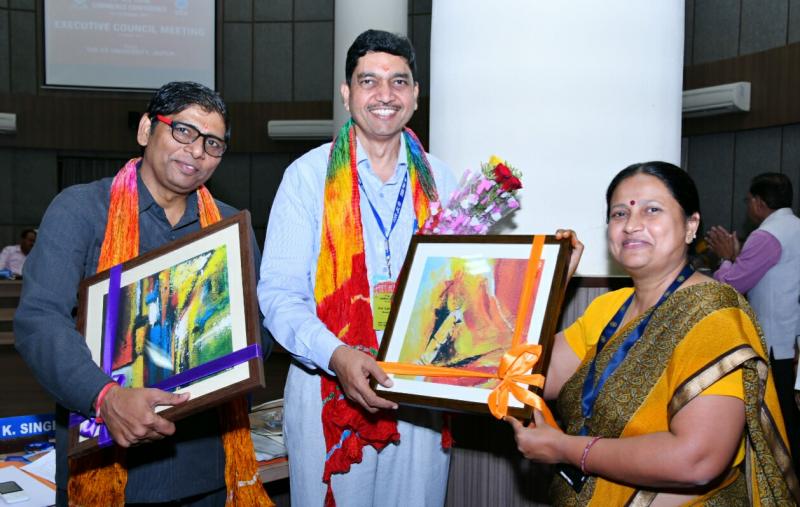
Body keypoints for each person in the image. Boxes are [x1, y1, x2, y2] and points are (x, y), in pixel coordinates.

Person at [14, 82, 272, 506]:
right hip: (102, 461)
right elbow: (39, 320)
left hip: (203, 466)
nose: (196, 151)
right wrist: (105, 397)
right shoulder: (81, 210)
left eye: (212, 143)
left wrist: (228, 350)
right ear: (146, 129)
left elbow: (259, 328)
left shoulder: (229, 230)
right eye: (183, 131)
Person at [506, 162, 798, 505]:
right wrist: (550, 287)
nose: (631, 225)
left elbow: (697, 459)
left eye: (652, 210)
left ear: (691, 225)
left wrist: (566, 448)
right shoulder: (607, 308)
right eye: (619, 214)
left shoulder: (713, 314)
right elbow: (517, 374)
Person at [258, 29, 457, 506]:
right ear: (347, 94)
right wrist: (337, 356)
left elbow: (460, 287)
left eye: (399, 81)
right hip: (328, 387)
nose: (385, 94)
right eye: (369, 81)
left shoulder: (443, 180)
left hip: (420, 390)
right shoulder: (307, 177)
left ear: (415, 96)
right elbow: (279, 295)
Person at [705, 172, 800, 473]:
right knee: (790, 415)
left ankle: (779, 481)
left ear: (758, 202)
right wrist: (739, 257)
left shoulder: (766, 235)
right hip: (791, 339)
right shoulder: (795, 227)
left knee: (777, 419)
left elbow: (732, 286)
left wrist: (724, 259)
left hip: (773, 342)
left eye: (748, 200)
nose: (748, 206)